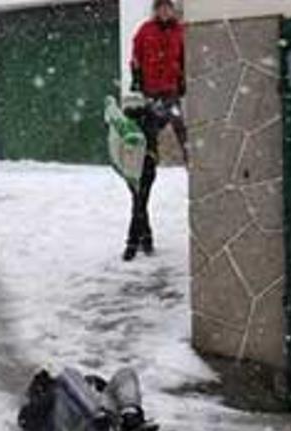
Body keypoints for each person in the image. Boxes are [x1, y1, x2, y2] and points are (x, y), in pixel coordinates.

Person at [125, 0, 187, 261]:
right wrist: (137, 82)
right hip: (150, 97)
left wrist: (182, 81)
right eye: (160, 8)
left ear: (172, 10)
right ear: (155, 11)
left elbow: (185, 59)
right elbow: (135, 59)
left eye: (168, 8)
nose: (164, 12)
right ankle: (141, 233)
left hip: (171, 94)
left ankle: (191, 160)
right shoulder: (145, 31)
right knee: (145, 168)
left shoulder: (180, 32)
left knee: (184, 137)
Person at [18, 367, 159, 431]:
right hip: (79, 429)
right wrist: (49, 390)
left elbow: (112, 391)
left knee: (126, 373)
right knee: (68, 373)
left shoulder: (86, 385)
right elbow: (25, 420)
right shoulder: (42, 409)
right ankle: (105, 423)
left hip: (108, 420)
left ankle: (130, 418)